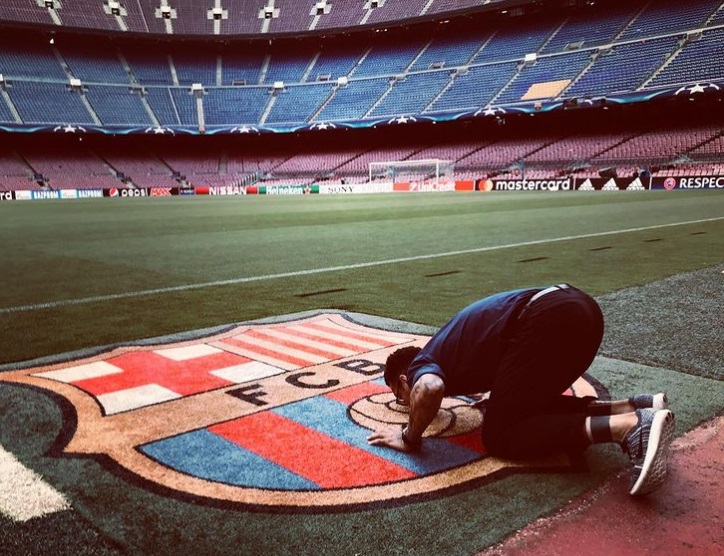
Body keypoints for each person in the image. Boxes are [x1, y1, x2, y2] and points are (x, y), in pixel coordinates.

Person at [367, 284, 675, 496]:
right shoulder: (447, 350)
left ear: (404, 380)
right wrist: (497, 395)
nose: (405, 402)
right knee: (522, 410)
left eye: (399, 395)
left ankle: (628, 428)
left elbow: (430, 388)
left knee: (500, 435)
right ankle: (631, 407)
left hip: (548, 319)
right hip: (579, 313)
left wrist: (409, 437)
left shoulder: (423, 363)